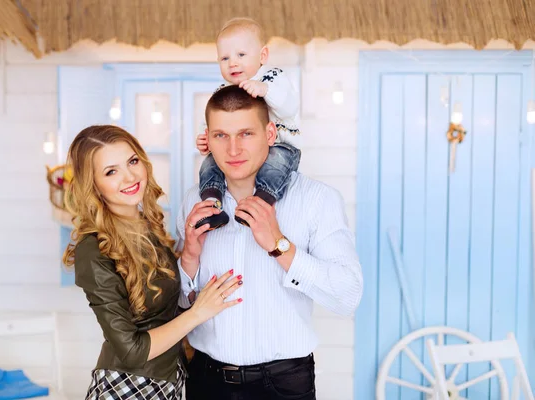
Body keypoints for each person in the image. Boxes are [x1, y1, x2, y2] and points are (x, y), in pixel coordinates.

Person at [178, 86, 363, 400]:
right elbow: (183, 304)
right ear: (207, 139)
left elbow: (347, 295)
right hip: (205, 380)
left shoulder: (317, 200)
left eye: (246, 133)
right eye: (221, 135)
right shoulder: (194, 201)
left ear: (270, 133)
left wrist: (279, 244)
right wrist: (189, 259)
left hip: (282, 385)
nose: (233, 149)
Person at [62, 125, 243, 399]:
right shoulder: (94, 249)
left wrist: (191, 253)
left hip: (165, 384)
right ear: (94, 185)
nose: (130, 176)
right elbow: (132, 351)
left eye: (132, 161)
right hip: (128, 389)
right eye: (111, 171)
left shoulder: (146, 225)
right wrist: (199, 313)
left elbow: (167, 304)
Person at [194, 17, 302, 232]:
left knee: (276, 165)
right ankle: (212, 204)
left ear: (263, 56)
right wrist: (206, 138)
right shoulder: (223, 90)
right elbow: (212, 118)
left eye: (241, 55)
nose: (232, 63)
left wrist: (265, 90)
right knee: (208, 164)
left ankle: (261, 201)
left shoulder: (272, 77)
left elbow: (290, 107)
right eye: (224, 58)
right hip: (252, 153)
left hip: (281, 145)